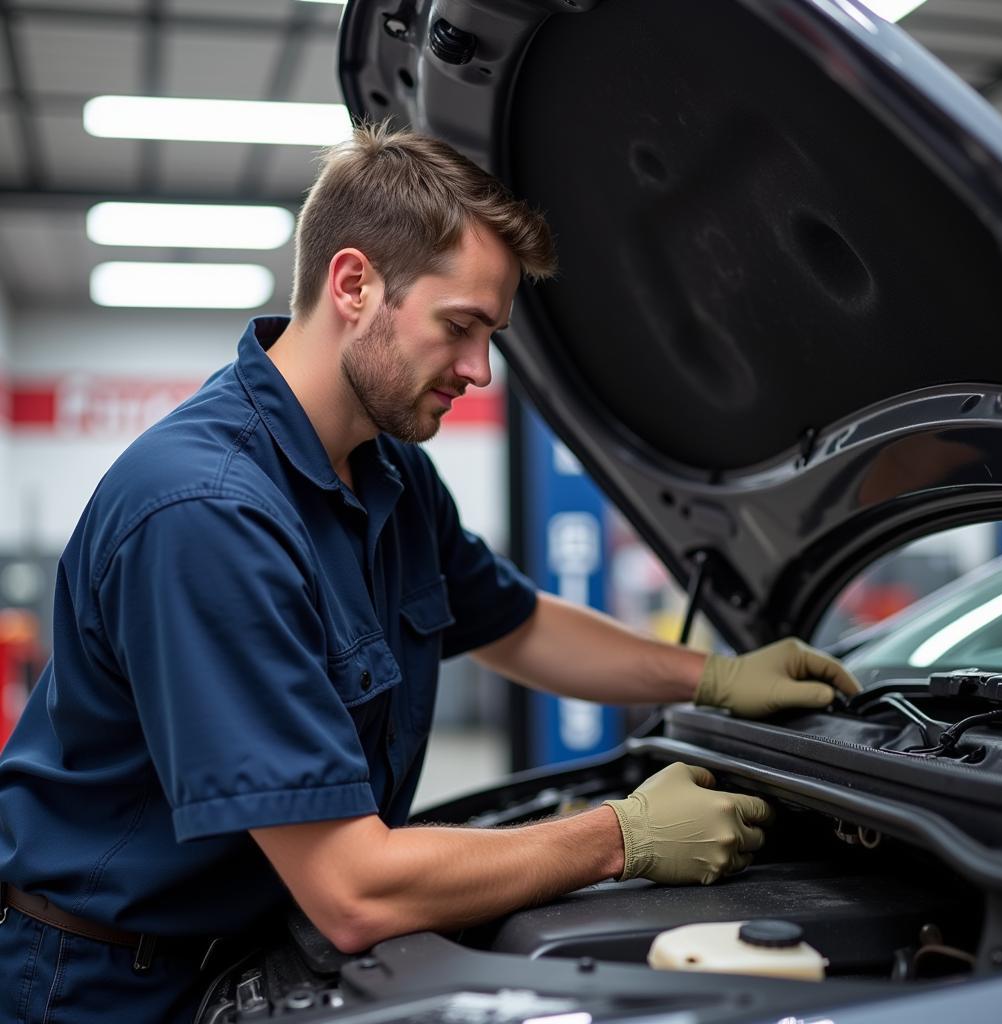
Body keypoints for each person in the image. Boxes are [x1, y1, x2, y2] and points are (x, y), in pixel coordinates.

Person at [0, 123, 860, 1022]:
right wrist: (623, 837)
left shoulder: (390, 471)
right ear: (354, 283)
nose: (480, 371)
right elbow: (351, 888)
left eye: (491, 335)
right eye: (461, 327)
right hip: (107, 986)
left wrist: (718, 676)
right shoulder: (205, 514)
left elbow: (516, 623)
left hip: (250, 946)